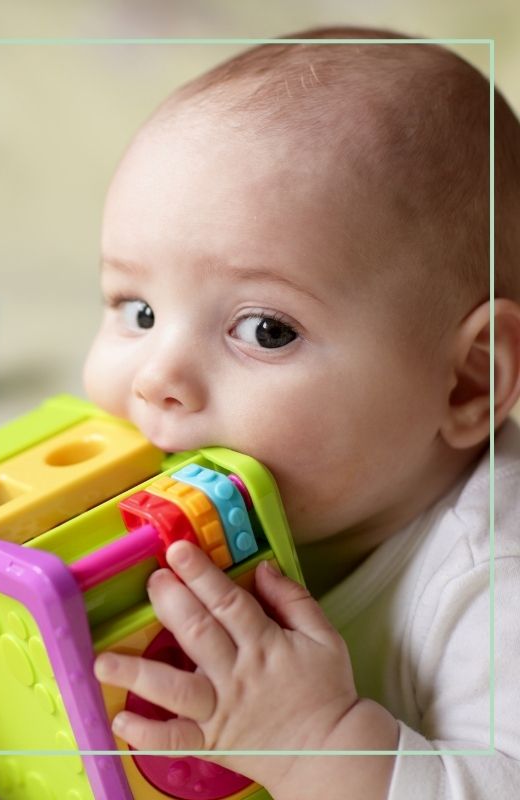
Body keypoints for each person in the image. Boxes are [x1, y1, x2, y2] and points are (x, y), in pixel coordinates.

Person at [82, 26, 520, 800]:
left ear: (466, 385)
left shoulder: (492, 585)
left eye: (265, 330)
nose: (156, 380)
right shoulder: (226, 501)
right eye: (138, 310)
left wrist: (317, 745)